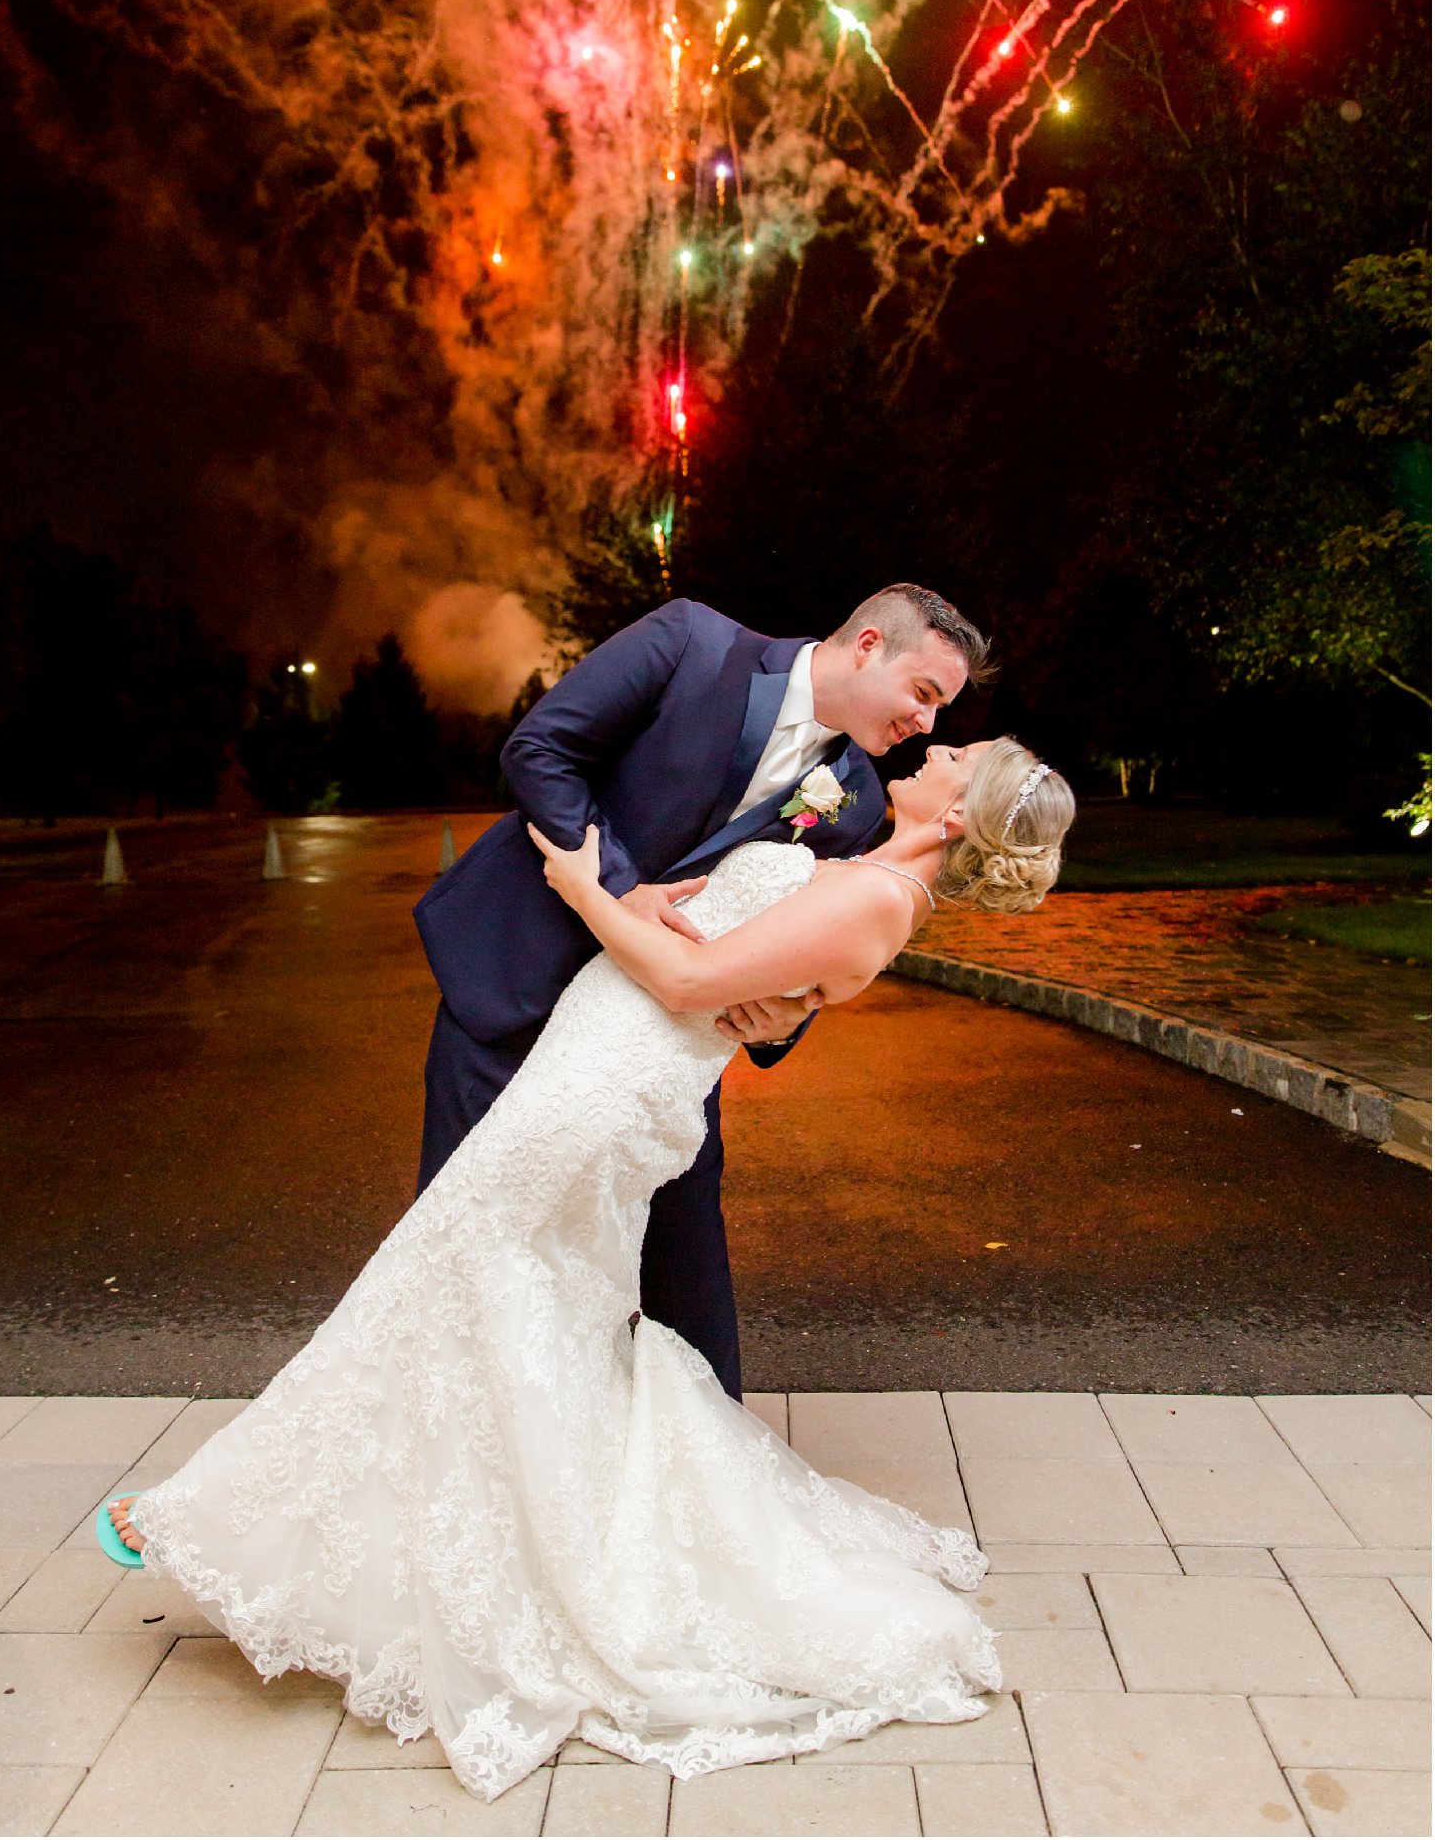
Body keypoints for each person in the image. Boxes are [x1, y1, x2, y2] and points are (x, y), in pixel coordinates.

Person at [104, 731, 1074, 1803]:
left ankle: (199, 1511)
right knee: (509, 1303)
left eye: (959, 753)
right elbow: (725, 949)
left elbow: (683, 976)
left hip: (605, 1090)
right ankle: (501, 1532)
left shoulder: (879, 898)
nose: (937, 745)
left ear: (954, 816)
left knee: (434, 1273)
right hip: (595, 1069)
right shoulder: (872, 872)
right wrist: (722, 950)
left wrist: (581, 886)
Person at [413, 583, 990, 1400]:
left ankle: (701, 1485)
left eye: (941, 708)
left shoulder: (857, 801)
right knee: (467, 1242)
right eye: (923, 693)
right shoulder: (692, 643)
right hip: (516, 986)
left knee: (687, 1275)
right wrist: (617, 888)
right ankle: (459, 1454)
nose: (927, 724)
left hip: (658, 1048)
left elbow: (798, 944)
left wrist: (785, 1019)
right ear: (867, 645)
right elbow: (539, 750)